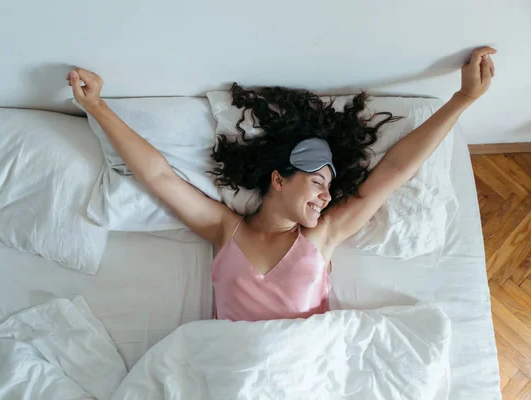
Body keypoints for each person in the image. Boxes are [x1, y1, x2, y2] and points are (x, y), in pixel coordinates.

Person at [67, 46, 496, 322]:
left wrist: (464, 99)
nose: (327, 195)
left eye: (329, 186)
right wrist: (98, 106)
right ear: (278, 179)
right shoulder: (224, 229)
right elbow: (159, 175)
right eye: (317, 181)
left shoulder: (324, 236)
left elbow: (395, 171)